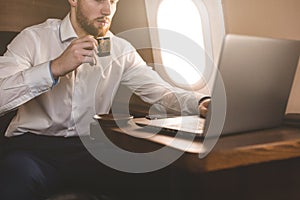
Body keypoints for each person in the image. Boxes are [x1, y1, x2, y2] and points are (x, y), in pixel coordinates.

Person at [0, 0, 211, 199]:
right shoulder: (33, 39)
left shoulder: (121, 50)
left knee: (159, 178)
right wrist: (54, 67)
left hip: (92, 150)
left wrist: (201, 103)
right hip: (33, 150)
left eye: (112, 1)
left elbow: (161, 93)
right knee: (14, 183)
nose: (107, 11)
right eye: (99, 0)